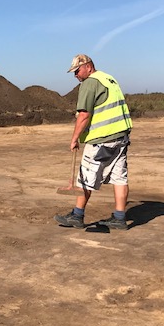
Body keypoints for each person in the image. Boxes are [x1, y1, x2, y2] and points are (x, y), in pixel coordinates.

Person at [54, 54, 133, 230]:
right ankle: (120, 218)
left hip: (102, 140)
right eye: (73, 72)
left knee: (85, 178)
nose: (75, 75)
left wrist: (74, 138)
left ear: (88, 66)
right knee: (119, 177)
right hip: (120, 138)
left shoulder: (90, 83)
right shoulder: (108, 79)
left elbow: (84, 115)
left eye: (77, 70)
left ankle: (77, 215)